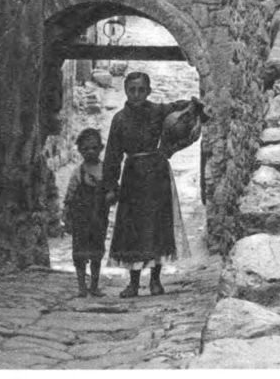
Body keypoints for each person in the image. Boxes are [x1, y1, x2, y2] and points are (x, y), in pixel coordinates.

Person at [102, 71, 190, 298]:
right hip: (132, 178)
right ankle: (133, 283)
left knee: (157, 226)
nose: (136, 94)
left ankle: (155, 280)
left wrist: (193, 108)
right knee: (132, 228)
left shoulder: (158, 112)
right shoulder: (119, 119)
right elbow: (112, 155)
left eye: (141, 90)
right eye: (132, 90)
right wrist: (110, 186)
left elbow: (182, 110)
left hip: (157, 175)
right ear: (125, 91)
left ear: (149, 91)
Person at [62, 127, 109, 298]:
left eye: (94, 148)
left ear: (101, 148)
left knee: (97, 252)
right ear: (80, 151)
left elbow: (113, 189)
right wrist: (66, 215)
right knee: (79, 252)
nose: (90, 152)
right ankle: (82, 286)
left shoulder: (105, 170)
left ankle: (94, 286)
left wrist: (111, 195)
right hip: (81, 218)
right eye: (86, 148)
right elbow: (70, 195)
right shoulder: (78, 173)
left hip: (99, 218)